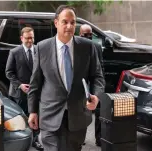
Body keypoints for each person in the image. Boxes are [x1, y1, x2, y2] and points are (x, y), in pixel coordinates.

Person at [27, 5, 105, 151]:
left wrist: (96, 96)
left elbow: (98, 77)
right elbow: (35, 83)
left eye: (73, 22)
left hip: (77, 115)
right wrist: (32, 111)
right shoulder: (42, 48)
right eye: (65, 22)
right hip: (50, 115)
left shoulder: (87, 47)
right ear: (56, 23)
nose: (69, 26)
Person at [5, 27, 43, 151]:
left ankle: (35, 140)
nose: (30, 40)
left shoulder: (40, 50)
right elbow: (9, 72)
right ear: (21, 38)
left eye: (32, 37)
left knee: (36, 115)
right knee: (22, 117)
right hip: (20, 92)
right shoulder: (14, 52)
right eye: (27, 38)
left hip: (36, 91)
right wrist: (20, 85)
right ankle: (22, 142)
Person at [79, 24, 105, 146]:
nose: (88, 37)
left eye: (90, 35)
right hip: (81, 85)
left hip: (94, 84)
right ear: (80, 35)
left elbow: (100, 67)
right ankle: (81, 137)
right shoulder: (75, 46)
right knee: (82, 112)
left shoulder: (97, 47)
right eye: (85, 35)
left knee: (98, 111)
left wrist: (100, 86)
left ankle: (99, 138)